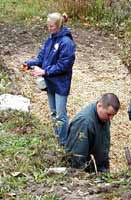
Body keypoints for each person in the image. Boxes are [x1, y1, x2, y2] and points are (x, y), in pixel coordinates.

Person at [23, 12, 76, 145]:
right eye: (48, 26)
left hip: (61, 84)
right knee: (53, 113)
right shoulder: (50, 39)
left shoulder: (67, 43)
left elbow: (64, 65)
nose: (49, 28)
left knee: (61, 116)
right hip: (50, 82)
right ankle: (56, 138)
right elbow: (42, 58)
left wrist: (44, 71)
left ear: (58, 25)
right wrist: (30, 63)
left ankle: (63, 143)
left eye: (52, 26)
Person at [64, 93, 120, 172]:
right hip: (87, 172)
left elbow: (103, 144)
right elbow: (76, 156)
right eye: (109, 114)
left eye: (113, 115)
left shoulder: (104, 118)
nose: (111, 118)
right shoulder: (84, 123)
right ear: (99, 106)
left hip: (98, 167)